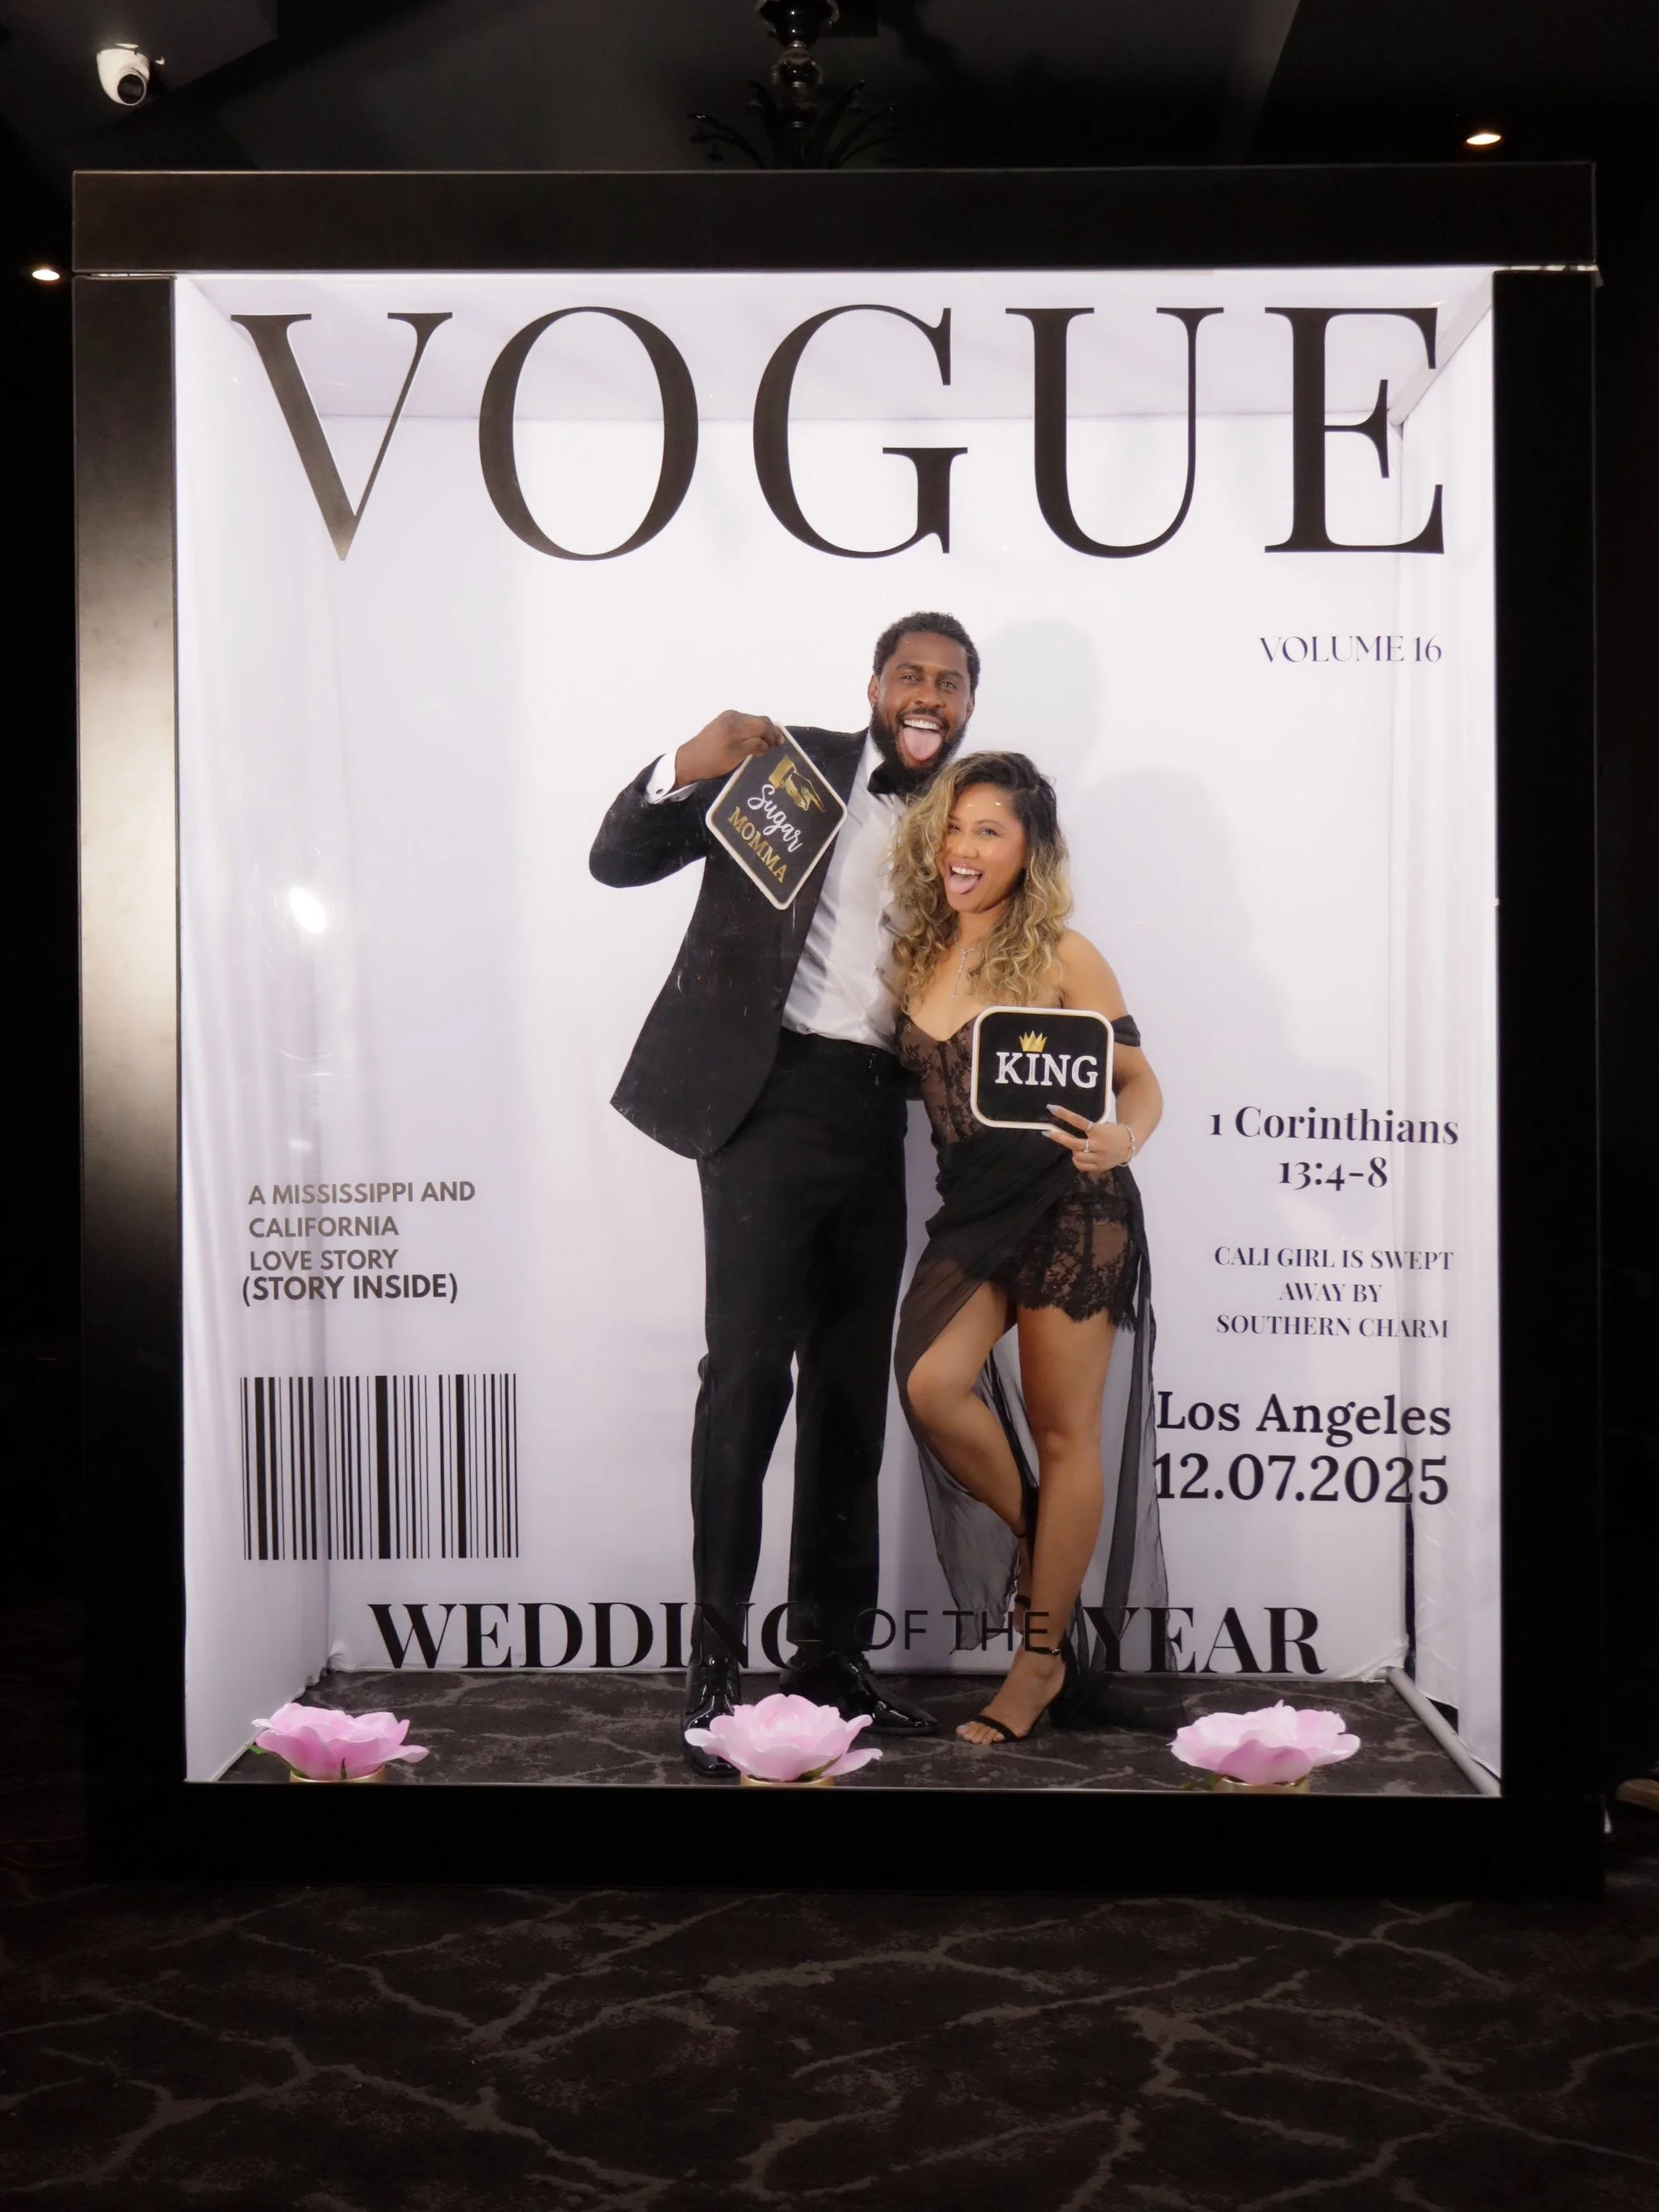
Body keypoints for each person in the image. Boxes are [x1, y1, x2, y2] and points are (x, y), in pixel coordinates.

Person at [589, 614, 979, 1775]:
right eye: (910, 674)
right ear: (873, 686)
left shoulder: (970, 812)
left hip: (874, 1111)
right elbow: (619, 860)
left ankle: (829, 1662)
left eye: (951, 683)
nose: (929, 695)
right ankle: (714, 1659)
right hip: (764, 1099)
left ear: (966, 705)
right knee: (748, 1375)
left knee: (852, 1394)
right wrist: (682, 765)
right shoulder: (791, 770)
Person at [888, 751, 1176, 1744]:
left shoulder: (1061, 951)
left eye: (989, 832)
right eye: (955, 828)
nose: (964, 850)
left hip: (1071, 1202)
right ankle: (1035, 1538)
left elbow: (1139, 1082)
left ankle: (1041, 1659)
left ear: (1029, 851)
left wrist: (1123, 1135)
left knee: (1066, 1432)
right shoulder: (913, 948)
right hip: (972, 1214)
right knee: (931, 1383)